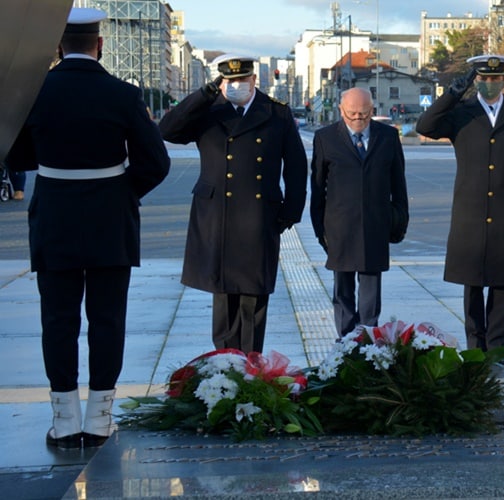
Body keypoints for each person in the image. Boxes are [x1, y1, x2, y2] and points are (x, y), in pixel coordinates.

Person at [4, 7, 170, 449]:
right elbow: (157, 163)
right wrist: (120, 192)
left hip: (55, 219)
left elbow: (16, 158)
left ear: (58, 47)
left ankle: (64, 421)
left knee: (57, 321)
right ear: (100, 45)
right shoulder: (124, 93)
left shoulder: (35, 92)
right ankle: (99, 420)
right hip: (109, 224)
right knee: (107, 319)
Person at [159, 54, 307, 355]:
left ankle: (251, 366)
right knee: (223, 297)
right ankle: (225, 365)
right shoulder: (207, 110)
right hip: (217, 216)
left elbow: (296, 165)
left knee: (253, 297)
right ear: (221, 82)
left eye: (242, 80)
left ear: (254, 80)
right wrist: (205, 94)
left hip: (259, 216)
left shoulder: (275, 112)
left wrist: (289, 212)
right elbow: (167, 130)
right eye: (230, 81)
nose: (237, 85)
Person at [416, 55, 504, 363]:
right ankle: (475, 343)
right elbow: (425, 125)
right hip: (469, 209)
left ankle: (497, 347)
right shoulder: (462, 113)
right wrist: (453, 93)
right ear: (477, 81)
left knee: (502, 281)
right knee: (471, 282)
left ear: (503, 81)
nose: (488, 85)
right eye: (482, 80)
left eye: (494, 80)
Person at [310, 88, 409, 337]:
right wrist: (319, 230)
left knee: (370, 293)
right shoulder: (325, 138)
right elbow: (318, 188)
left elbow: (399, 184)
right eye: (352, 114)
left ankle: (367, 341)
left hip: (375, 226)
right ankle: (345, 341)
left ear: (372, 111)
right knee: (342, 291)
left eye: (364, 115)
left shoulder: (388, 136)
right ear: (341, 111)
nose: (357, 120)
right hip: (339, 228)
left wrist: (399, 221)